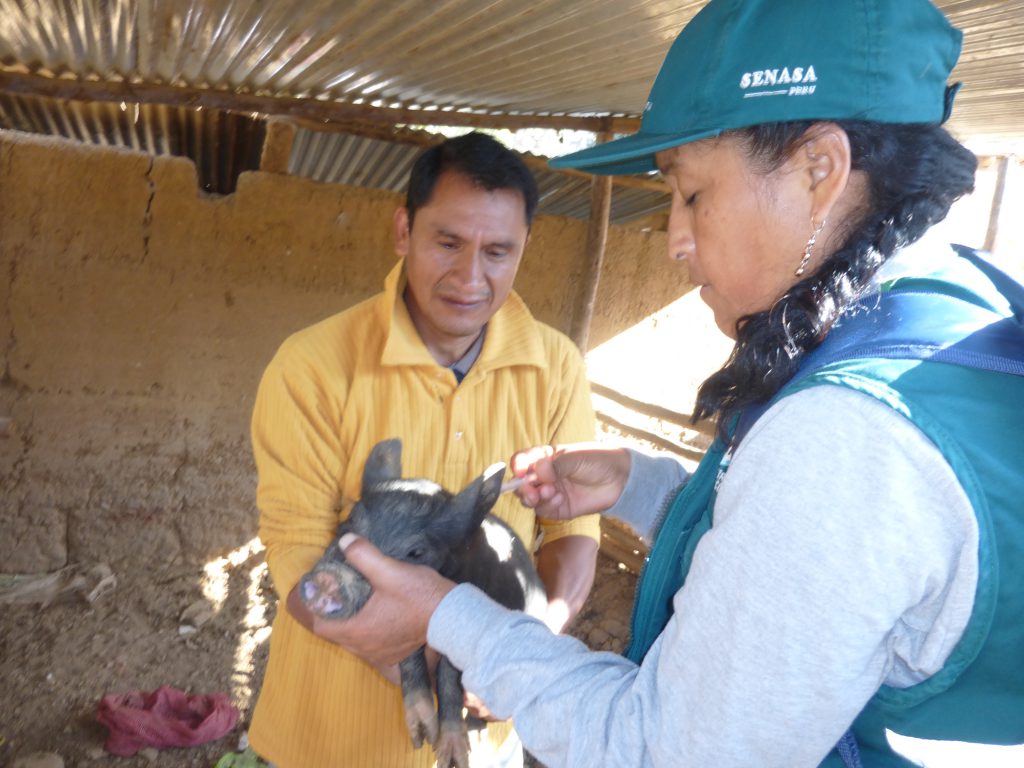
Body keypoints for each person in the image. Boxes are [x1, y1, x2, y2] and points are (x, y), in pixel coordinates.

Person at [320, 1, 1024, 766]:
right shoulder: (956, 315)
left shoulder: (850, 438)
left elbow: (658, 749)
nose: (675, 242)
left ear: (819, 172)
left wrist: (447, 614)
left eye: (690, 195)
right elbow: (818, 575)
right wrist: (648, 486)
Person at [247, 131, 601, 768]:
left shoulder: (557, 368)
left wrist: (529, 643)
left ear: (524, 250)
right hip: (324, 743)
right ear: (404, 230)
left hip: (484, 748)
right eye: (448, 242)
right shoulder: (313, 367)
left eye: (498, 251)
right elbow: (298, 555)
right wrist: (447, 666)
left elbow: (572, 528)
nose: (471, 277)